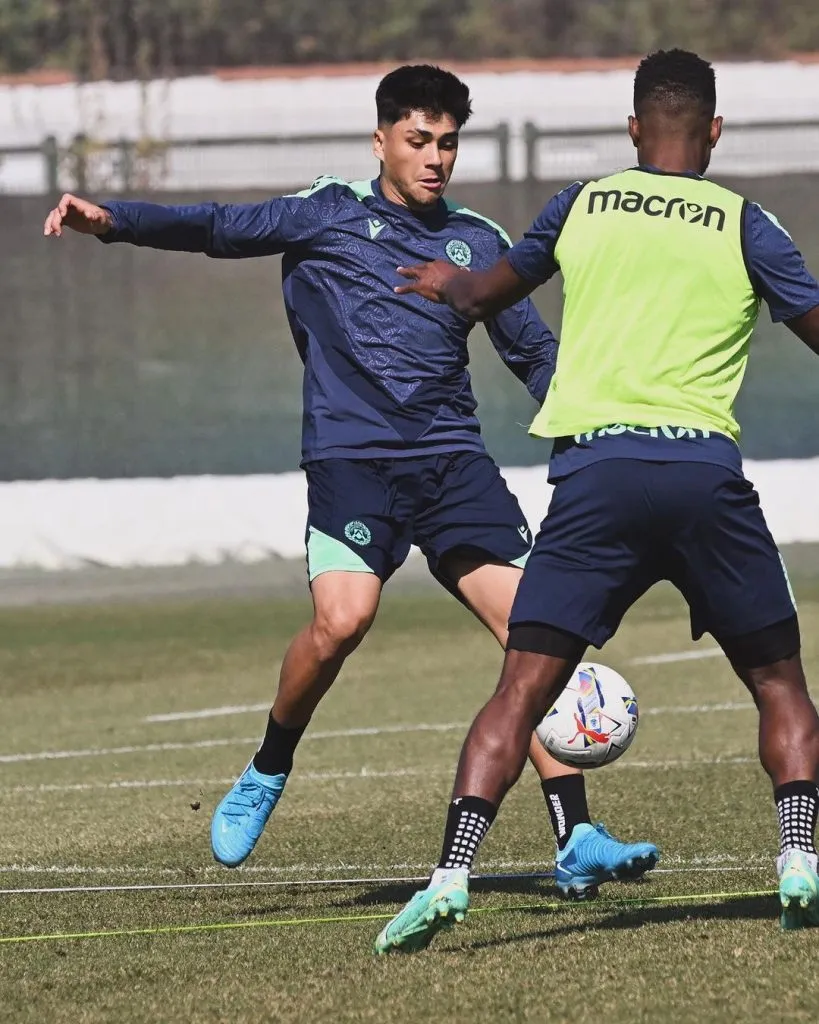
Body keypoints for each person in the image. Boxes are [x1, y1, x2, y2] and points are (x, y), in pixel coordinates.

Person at [43, 63, 656, 896]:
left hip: (451, 465)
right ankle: (268, 765)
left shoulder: (476, 241)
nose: (434, 158)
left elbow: (534, 356)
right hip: (352, 461)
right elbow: (218, 226)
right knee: (341, 622)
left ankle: (575, 832)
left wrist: (594, 435)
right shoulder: (326, 211)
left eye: (446, 143)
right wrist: (112, 220)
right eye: (417, 141)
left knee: (535, 639)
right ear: (381, 141)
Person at [376, 48, 819, 952]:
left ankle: (451, 872)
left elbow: (486, 292)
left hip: (594, 479)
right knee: (778, 683)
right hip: (702, 477)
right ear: (714, 132)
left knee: (518, 691)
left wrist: (443, 282)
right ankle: (798, 858)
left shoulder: (581, 202)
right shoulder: (745, 222)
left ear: (630, 131)